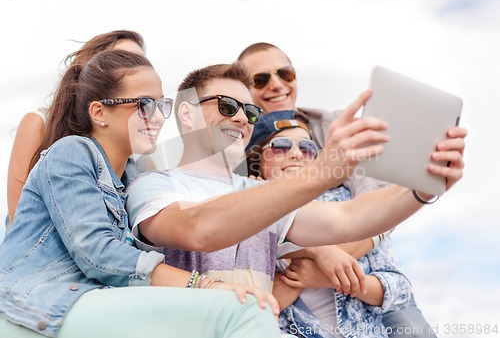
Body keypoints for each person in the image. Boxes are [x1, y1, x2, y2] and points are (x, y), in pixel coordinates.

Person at [125, 63, 465, 304]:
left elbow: (347, 219)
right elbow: (197, 229)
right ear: (187, 114)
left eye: (250, 112)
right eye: (228, 107)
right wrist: (321, 172)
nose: (243, 118)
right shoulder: (152, 184)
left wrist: (422, 189)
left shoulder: (261, 193)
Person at [0, 51, 281, 338]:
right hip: (34, 304)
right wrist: (205, 284)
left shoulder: (131, 177)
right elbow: (98, 254)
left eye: (161, 104)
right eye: (145, 105)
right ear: (99, 113)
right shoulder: (71, 152)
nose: (158, 116)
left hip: (91, 303)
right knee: (243, 308)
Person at [238, 42, 443, 337]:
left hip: (366, 283)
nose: (276, 84)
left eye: (285, 73)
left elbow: (373, 214)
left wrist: (320, 267)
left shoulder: (334, 127)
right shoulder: (235, 149)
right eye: (261, 79)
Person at [247, 109, 412, 338]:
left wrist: (335, 279)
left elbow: (400, 289)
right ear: (257, 162)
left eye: (307, 148)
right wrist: (315, 253)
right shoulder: (246, 216)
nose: (296, 154)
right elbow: (249, 304)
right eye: (281, 146)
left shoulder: (345, 203)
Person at [6, 30, 145, 227]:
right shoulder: (39, 124)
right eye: (123, 60)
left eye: (141, 62)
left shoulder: (136, 156)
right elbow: (20, 219)